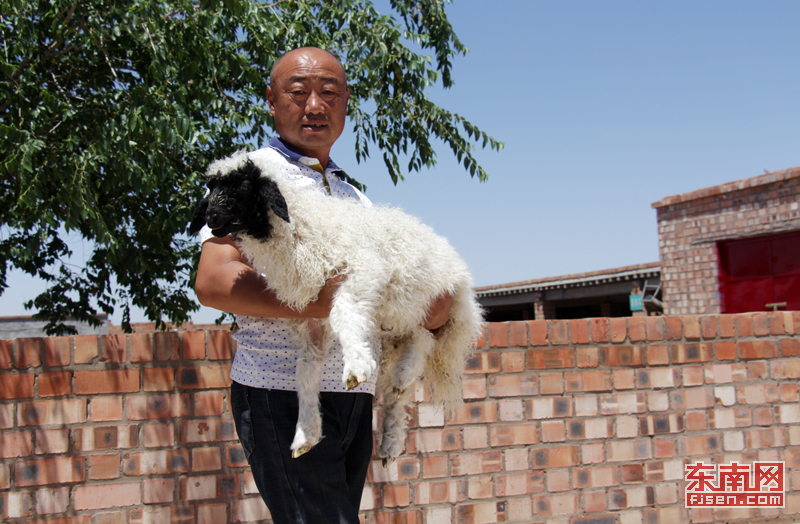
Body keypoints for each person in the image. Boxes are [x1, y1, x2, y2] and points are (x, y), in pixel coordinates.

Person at [194, 47, 451, 524]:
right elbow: (213, 280)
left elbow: (393, 291)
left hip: (352, 396)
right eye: (298, 92)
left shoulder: (356, 197)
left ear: (346, 104)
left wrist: (432, 306)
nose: (315, 105)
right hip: (281, 392)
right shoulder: (248, 176)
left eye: (329, 93)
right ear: (271, 101)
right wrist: (326, 301)